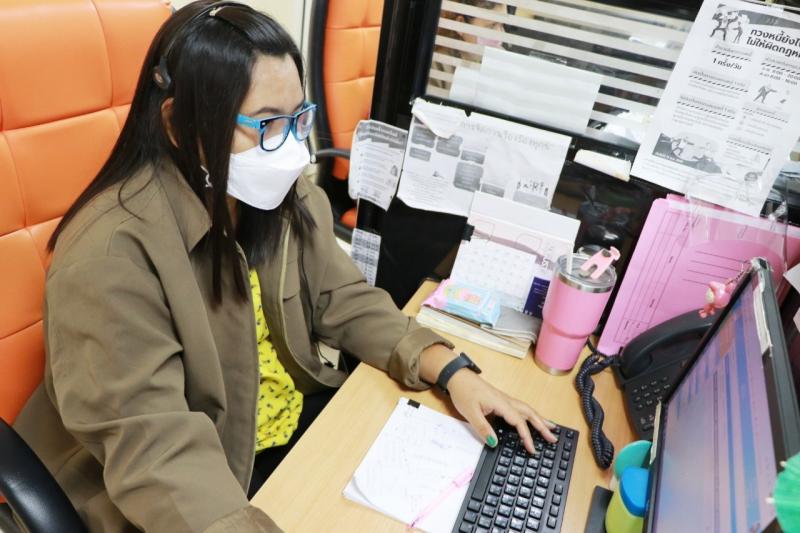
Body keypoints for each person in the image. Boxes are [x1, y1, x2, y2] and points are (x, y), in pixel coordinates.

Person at [13, 2, 556, 531]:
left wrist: (452, 370)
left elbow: (343, 298)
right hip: (202, 481)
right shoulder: (110, 257)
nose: (294, 146)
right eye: (267, 123)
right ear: (179, 124)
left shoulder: (270, 196)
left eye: (298, 118)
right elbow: (157, 452)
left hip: (281, 426)